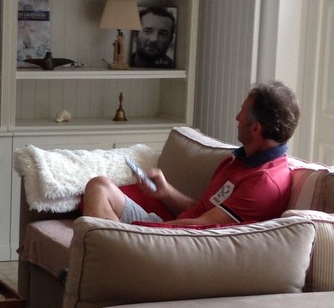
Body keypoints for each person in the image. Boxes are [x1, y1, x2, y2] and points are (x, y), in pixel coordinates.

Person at [82, 81, 301, 227]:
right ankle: (104, 257)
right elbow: (201, 209)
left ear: (256, 128)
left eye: (242, 112)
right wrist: (166, 192)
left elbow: (203, 226)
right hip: (171, 231)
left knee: (103, 233)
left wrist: (143, 230)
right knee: (99, 186)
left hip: (180, 245)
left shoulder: (264, 182)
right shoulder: (238, 160)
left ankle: (101, 260)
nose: (237, 117)